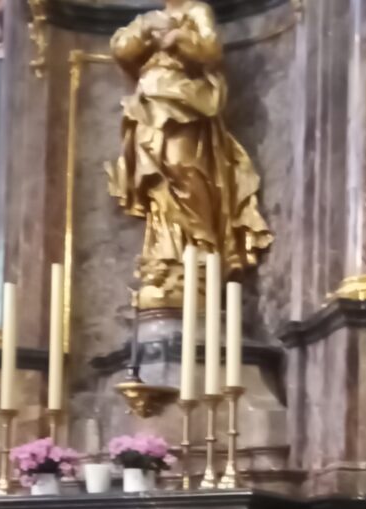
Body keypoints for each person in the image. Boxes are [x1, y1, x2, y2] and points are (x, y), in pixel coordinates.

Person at [107, 0, 272, 308]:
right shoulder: (149, 18)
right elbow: (121, 50)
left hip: (185, 101)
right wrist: (145, 31)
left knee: (183, 169)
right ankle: (166, 258)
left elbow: (211, 50)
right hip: (149, 105)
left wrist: (178, 38)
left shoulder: (197, 12)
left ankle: (201, 251)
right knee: (158, 186)